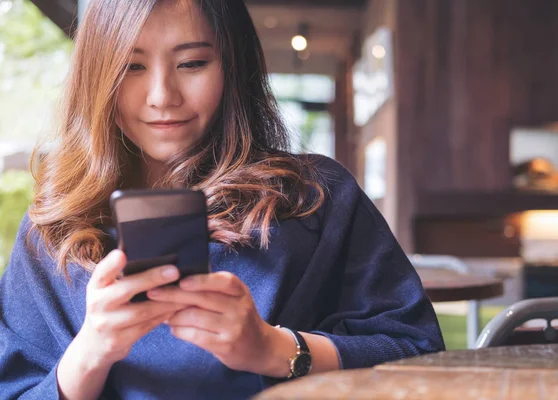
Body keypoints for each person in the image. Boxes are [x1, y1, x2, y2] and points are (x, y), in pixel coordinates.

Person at [0, 0, 445, 398]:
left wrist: (275, 349)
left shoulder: (314, 197)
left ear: (234, 67)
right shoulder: (54, 225)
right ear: (96, 77)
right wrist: (88, 355)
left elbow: (417, 352)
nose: (162, 97)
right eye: (131, 67)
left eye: (192, 63)